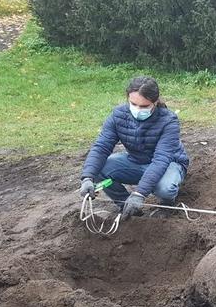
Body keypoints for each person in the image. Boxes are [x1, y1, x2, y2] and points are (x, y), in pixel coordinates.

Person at [79, 76, 189, 220]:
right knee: (99, 169)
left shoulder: (169, 121)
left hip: (169, 163)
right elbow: (101, 147)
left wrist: (139, 194)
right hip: (136, 161)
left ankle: (167, 205)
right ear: (127, 99)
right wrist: (87, 177)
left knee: (165, 189)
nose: (137, 109)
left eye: (144, 106)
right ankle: (126, 205)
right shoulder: (118, 115)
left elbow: (161, 160)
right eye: (133, 104)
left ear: (155, 102)